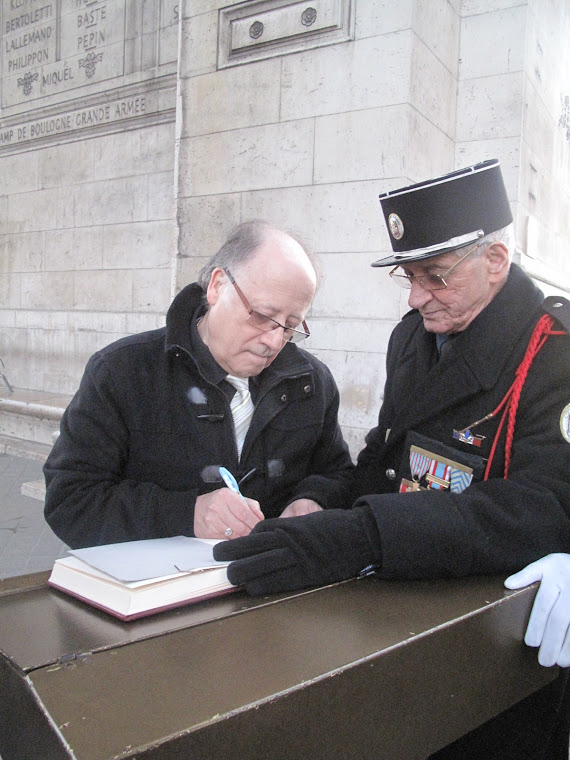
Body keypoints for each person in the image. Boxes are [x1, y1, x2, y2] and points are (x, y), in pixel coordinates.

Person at [214, 161, 570, 759]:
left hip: (498, 637)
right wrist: (323, 499)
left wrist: (363, 536)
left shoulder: (553, 353)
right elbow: (387, 457)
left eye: (435, 276)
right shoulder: (413, 337)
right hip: (402, 607)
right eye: (407, 276)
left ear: (496, 262)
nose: (415, 297)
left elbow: (544, 507)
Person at [43, 220, 354, 548]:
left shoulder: (312, 383)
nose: (275, 341)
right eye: (262, 315)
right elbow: (69, 501)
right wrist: (185, 514)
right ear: (218, 286)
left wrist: (313, 500)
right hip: (155, 590)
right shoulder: (122, 372)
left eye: (290, 326)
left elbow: (339, 475)